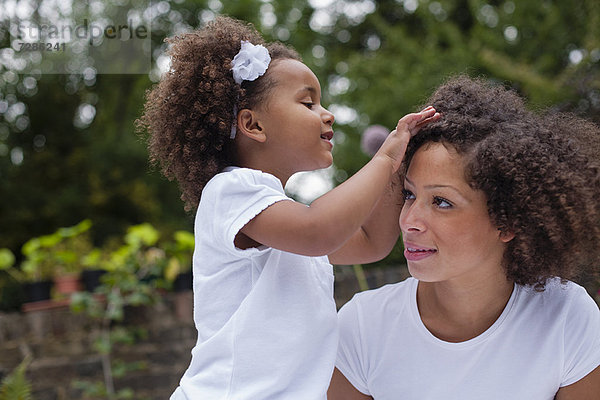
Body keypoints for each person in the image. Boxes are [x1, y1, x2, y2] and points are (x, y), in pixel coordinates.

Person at [137, 16, 438, 399]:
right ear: (253, 125)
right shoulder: (229, 191)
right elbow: (318, 232)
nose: (326, 113)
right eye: (308, 102)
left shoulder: (284, 220)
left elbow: (371, 241)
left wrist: (398, 168)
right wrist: (383, 158)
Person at [328, 76, 600, 400]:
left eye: (441, 202)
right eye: (409, 195)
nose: (408, 221)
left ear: (507, 221)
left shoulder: (567, 316)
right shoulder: (361, 327)